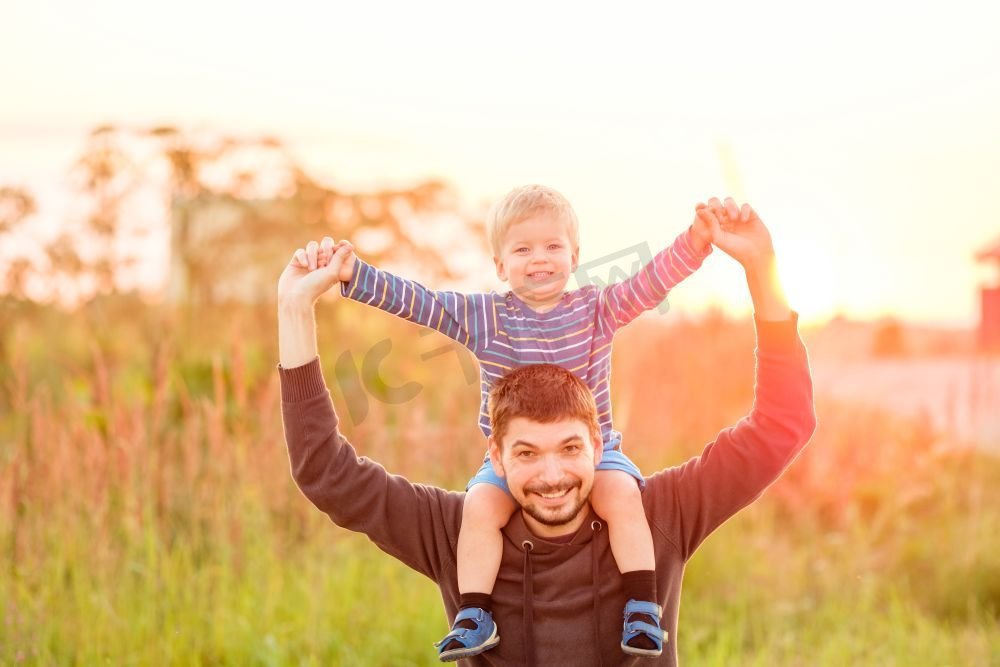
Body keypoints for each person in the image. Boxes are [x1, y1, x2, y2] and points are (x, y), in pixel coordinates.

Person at [277, 197, 817, 665]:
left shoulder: (661, 516)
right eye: (528, 452)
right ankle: (474, 615)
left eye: (570, 448)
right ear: (496, 450)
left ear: (599, 443)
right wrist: (299, 307)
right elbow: (326, 470)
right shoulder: (459, 529)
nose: (552, 475)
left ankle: (641, 608)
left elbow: (781, 425)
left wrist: (759, 270)